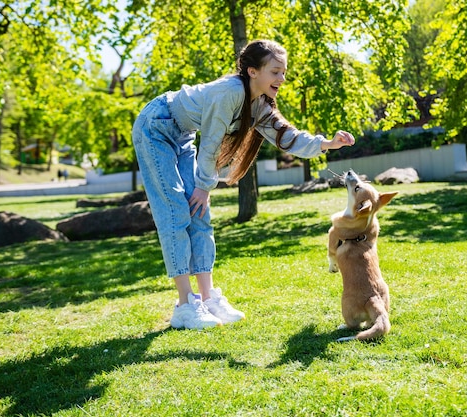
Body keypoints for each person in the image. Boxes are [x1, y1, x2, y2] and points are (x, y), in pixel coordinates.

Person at [131, 39, 356, 330]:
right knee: (175, 211)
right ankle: (185, 305)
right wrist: (204, 185)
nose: (282, 78)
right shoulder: (230, 93)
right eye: (275, 71)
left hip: (182, 132)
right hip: (156, 126)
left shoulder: (257, 104)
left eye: (284, 72)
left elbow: (286, 136)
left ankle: (208, 297)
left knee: (199, 213)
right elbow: (211, 142)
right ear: (253, 71)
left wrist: (326, 143)